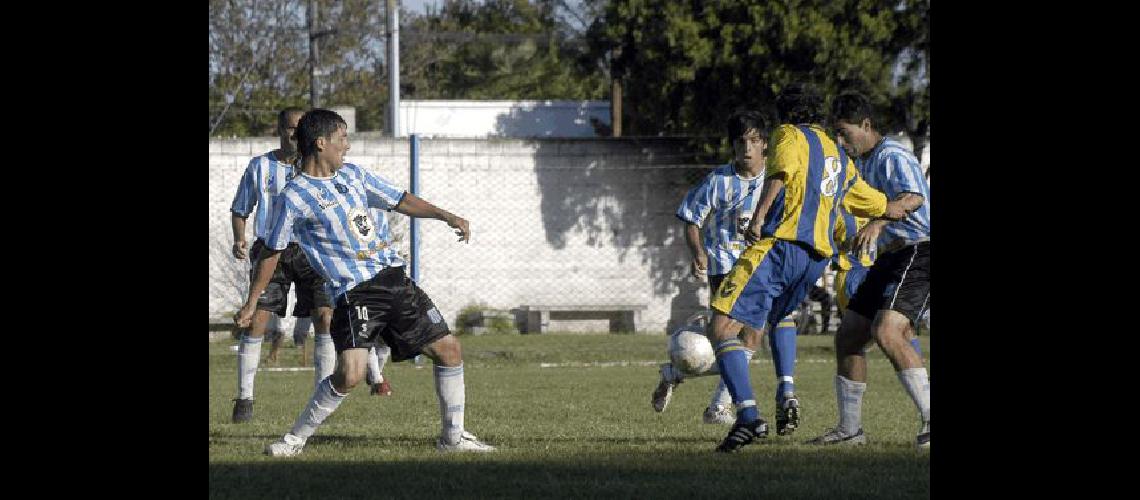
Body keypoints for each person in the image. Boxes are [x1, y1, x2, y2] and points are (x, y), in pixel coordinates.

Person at [235, 108, 494, 456]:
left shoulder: (354, 176)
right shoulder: (294, 197)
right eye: (343, 138)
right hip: (353, 293)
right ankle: (293, 441)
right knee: (350, 375)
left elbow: (399, 199)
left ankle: (453, 438)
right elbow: (272, 251)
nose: (348, 146)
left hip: (394, 281)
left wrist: (444, 214)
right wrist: (252, 302)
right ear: (321, 143)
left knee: (449, 350)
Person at [706, 84, 907, 452]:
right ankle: (782, 390)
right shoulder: (836, 151)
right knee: (768, 320)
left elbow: (780, 173)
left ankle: (748, 417)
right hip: (814, 261)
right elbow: (868, 198)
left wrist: (760, 217)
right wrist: (900, 206)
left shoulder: (789, 134)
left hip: (780, 246)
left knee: (720, 325)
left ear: (785, 115)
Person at [654, 109, 804, 435]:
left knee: (743, 341)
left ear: (765, 144)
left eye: (753, 140)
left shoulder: (776, 180)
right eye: (740, 142)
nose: (747, 148)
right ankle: (718, 406)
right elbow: (691, 219)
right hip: (726, 268)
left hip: (763, 268)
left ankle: (679, 377)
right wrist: (699, 253)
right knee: (742, 338)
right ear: (732, 147)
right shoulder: (718, 181)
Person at [808, 91, 931, 449]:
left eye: (845, 133)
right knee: (848, 336)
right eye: (836, 135)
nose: (841, 142)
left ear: (866, 125)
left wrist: (877, 223)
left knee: (888, 330)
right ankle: (850, 431)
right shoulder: (856, 164)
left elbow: (915, 198)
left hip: (920, 249)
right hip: (890, 257)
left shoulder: (893, 156)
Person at [230, 107, 341, 423]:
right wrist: (240, 239)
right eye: (292, 128)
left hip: (313, 251)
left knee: (325, 317)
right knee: (257, 320)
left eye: (301, 129)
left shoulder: (321, 167)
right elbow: (240, 209)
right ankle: (244, 398)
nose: (296, 135)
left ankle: (322, 400)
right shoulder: (261, 167)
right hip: (271, 251)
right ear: (280, 130)